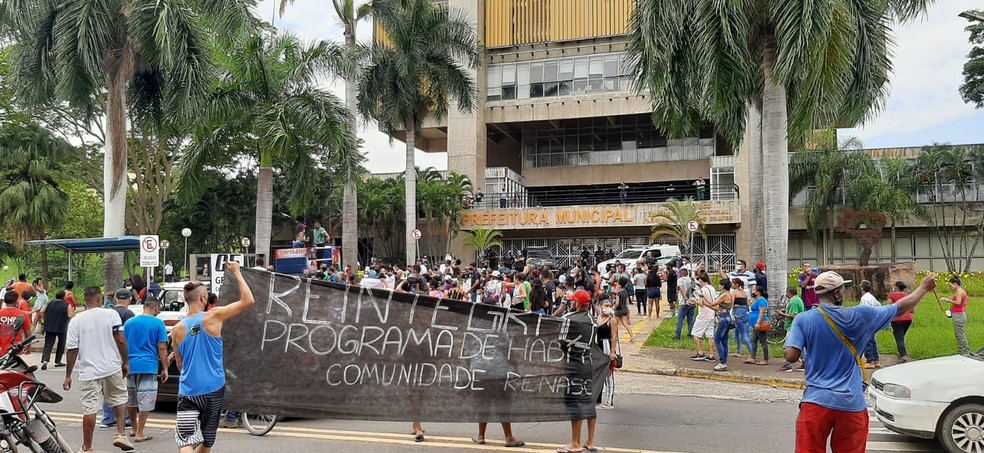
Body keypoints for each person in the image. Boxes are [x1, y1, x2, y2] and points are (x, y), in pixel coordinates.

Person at [785, 271, 935, 453]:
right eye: (843, 290)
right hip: (851, 403)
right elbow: (900, 308)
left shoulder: (804, 319)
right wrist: (924, 288)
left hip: (816, 403)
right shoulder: (861, 315)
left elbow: (791, 355)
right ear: (837, 294)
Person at [172, 262, 255, 453]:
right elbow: (248, 300)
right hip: (213, 388)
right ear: (202, 297)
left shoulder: (176, 330)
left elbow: (180, 363)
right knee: (207, 439)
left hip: (189, 389)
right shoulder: (213, 317)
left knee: (185, 439)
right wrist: (237, 272)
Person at [63, 286, 134, 453]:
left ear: (86, 300)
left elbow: (72, 350)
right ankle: (121, 434)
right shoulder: (111, 314)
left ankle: (87, 447)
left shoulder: (76, 320)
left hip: (89, 371)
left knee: (90, 409)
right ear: (100, 299)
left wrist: (68, 375)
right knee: (120, 399)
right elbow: (121, 340)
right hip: (112, 367)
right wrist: (126, 362)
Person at [557, 289, 602, 453]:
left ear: (577, 303)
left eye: (573, 301)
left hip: (573, 365)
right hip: (587, 364)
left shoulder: (568, 319)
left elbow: (560, 341)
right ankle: (590, 442)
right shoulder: (593, 320)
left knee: (574, 402)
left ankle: (575, 443)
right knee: (588, 401)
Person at [123, 297, 168, 443]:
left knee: (132, 399)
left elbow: (123, 343)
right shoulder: (158, 323)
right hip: (148, 365)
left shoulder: (130, 323)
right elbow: (162, 347)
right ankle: (140, 432)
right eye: (158, 309)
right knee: (146, 400)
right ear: (155, 307)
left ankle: (134, 428)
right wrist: (165, 367)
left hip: (130, 365)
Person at [39, 290, 74, 370]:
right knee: (61, 344)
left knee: (48, 344)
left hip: (49, 326)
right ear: (64, 297)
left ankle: (45, 360)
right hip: (62, 327)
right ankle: (58, 361)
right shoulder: (67, 305)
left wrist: (45, 319)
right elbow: (70, 315)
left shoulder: (50, 303)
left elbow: (42, 311)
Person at [595, 297, 619, 408]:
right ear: (600, 306)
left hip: (606, 346)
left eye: (609, 306)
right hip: (597, 347)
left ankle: (609, 401)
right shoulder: (598, 318)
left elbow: (614, 336)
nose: (608, 308)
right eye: (606, 305)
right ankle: (597, 399)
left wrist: (612, 351)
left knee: (608, 374)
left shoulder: (612, 320)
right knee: (598, 374)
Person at [940, 276, 971, 356]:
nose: (951, 287)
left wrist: (948, 300)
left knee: (960, 334)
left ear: (955, 284)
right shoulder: (960, 291)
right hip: (957, 314)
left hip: (959, 315)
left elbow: (958, 302)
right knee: (958, 334)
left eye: (951, 285)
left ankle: (965, 351)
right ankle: (962, 350)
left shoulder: (959, 291)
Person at [778, 287, 806, 372]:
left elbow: (794, 315)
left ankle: (788, 364)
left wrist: (783, 314)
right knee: (801, 346)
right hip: (799, 326)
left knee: (789, 346)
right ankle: (805, 363)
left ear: (789, 293)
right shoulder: (798, 299)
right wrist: (786, 310)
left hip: (793, 327)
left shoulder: (793, 301)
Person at [690, 273, 716, 362]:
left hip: (703, 314)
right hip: (711, 313)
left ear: (701, 281)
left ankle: (701, 352)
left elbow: (701, 303)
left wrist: (694, 300)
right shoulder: (712, 288)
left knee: (695, 333)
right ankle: (712, 354)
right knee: (710, 335)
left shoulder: (703, 290)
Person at [711, 279, 734, 371]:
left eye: (721, 285)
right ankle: (724, 361)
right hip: (728, 317)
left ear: (723, 286)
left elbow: (713, 304)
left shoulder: (724, 295)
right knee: (724, 341)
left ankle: (722, 361)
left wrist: (704, 299)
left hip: (723, 319)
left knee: (717, 340)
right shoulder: (731, 295)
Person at [886, 281, 913, 362]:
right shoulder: (907, 296)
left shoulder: (892, 295)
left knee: (899, 338)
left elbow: (888, 307)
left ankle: (903, 355)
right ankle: (904, 352)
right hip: (908, 319)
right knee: (901, 336)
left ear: (896, 287)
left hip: (897, 319)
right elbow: (912, 309)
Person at [0, 291, 32, 356]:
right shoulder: (23, 314)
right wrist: (28, 347)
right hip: (16, 350)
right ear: (16, 302)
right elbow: (28, 333)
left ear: (4, 302)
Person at [858, 280, 881, 368]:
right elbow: (878, 305)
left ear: (862, 288)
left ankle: (870, 360)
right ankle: (876, 360)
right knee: (872, 340)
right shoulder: (871, 297)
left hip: (867, 321)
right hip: (874, 320)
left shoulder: (864, 298)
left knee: (867, 341)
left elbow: (864, 310)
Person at [747, 286, 770, 366]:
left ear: (758, 292)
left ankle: (766, 359)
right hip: (754, 323)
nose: (753, 292)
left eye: (754, 291)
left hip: (760, 323)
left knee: (763, 341)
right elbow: (749, 304)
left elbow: (762, 312)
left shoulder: (762, 301)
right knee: (754, 340)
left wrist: (758, 323)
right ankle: (752, 357)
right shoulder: (756, 299)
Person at [730, 278, 753, 358]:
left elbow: (731, 304)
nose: (732, 285)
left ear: (736, 284)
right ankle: (738, 351)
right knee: (737, 333)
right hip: (745, 313)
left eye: (733, 283)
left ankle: (752, 353)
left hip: (738, 313)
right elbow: (747, 304)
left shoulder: (734, 293)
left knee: (743, 335)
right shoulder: (744, 292)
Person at [674, 268, 696, 340]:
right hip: (692, 302)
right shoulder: (692, 280)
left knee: (680, 320)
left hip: (683, 302)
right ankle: (691, 335)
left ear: (681, 273)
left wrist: (685, 298)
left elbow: (681, 288)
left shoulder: (680, 280)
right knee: (690, 320)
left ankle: (678, 336)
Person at [612, 277, 635, 343]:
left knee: (615, 324)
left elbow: (617, 303)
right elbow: (626, 302)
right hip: (624, 309)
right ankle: (632, 337)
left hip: (618, 310)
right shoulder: (625, 291)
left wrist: (613, 308)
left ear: (619, 283)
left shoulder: (618, 293)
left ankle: (615, 337)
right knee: (626, 324)